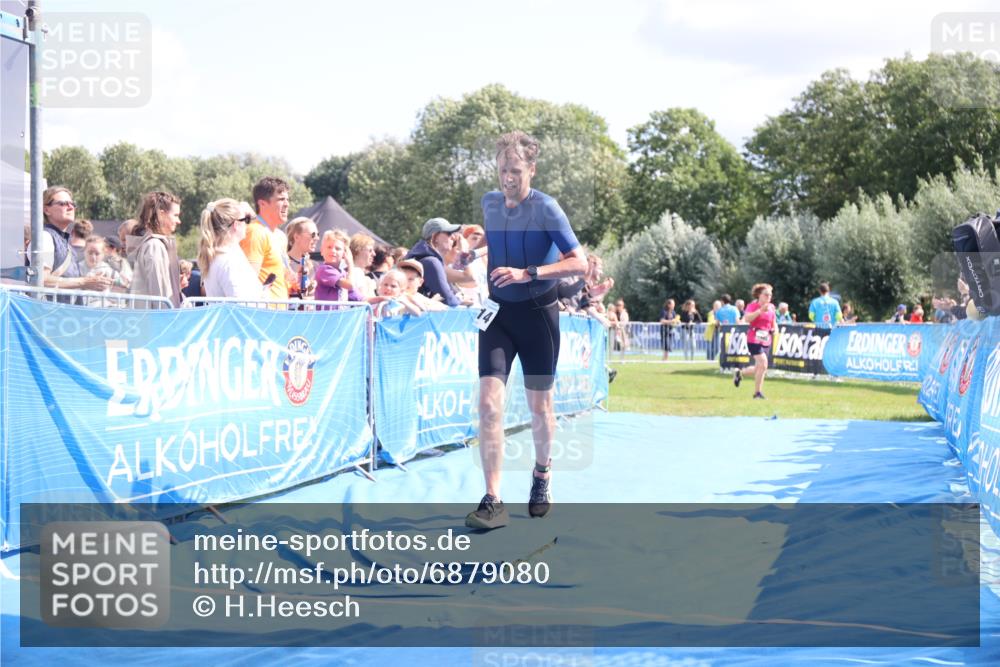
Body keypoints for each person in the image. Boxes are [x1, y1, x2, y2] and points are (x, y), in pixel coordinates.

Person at [466, 130, 587, 530]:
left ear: (531, 169)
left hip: (538, 317)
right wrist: (477, 248)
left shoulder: (547, 209)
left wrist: (528, 272)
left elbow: (579, 263)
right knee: (487, 405)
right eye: (502, 169)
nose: (508, 178)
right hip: (497, 314)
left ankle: (541, 474)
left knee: (540, 408)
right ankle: (492, 500)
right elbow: (495, 231)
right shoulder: (489, 203)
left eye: (516, 170)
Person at [32, 186, 112, 296]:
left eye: (72, 204)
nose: (70, 207)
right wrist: (84, 282)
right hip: (50, 312)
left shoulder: (65, 243)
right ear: (46, 210)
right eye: (63, 204)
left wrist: (91, 282)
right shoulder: (45, 237)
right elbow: (40, 279)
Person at [198, 198, 268, 300]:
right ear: (236, 225)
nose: (248, 224)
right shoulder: (229, 261)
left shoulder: (220, 255)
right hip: (243, 315)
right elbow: (241, 306)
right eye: (246, 220)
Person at [127, 191, 183, 308]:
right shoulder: (154, 246)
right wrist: (168, 317)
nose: (179, 221)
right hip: (157, 321)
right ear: (161, 214)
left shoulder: (152, 244)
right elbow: (160, 293)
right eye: (176, 215)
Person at [241, 177, 290, 299]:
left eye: (287, 200)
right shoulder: (255, 232)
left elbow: (280, 275)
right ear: (262, 203)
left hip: (281, 312)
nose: (287, 204)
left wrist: (294, 281)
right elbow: (249, 280)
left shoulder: (280, 236)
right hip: (263, 313)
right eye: (281, 199)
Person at [405, 218, 465, 307]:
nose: (453, 237)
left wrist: (458, 299)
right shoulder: (431, 262)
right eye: (448, 233)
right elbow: (449, 300)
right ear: (435, 237)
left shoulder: (424, 258)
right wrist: (460, 300)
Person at [734, 283, 777, 399]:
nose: (769, 297)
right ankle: (757, 393)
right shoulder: (752, 306)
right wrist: (760, 311)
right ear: (759, 295)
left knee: (759, 367)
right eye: (766, 295)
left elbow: (773, 322)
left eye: (770, 295)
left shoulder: (772, 307)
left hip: (766, 339)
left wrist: (774, 329)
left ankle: (740, 373)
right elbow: (747, 319)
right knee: (763, 363)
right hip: (754, 338)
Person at [315, 230, 363, 306]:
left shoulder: (343, 274)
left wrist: (381, 299)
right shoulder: (324, 270)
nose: (333, 251)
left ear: (345, 253)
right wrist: (350, 264)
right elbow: (350, 285)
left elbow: (361, 299)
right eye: (329, 247)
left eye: (337, 248)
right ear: (322, 251)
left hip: (340, 316)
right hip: (327, 317)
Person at [286, 217, 319, 299]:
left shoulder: (315, 266)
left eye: (318, 234)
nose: (317, 238)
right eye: (313, 235)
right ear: (296, 237)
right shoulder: (282, 262)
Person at [348, 233, 378, 300]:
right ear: (357, 251)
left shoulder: (355, 272)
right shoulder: (356, 272)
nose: (374, 254)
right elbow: (364, 301)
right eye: (370, 250)